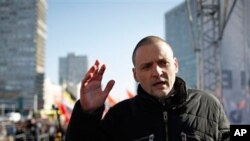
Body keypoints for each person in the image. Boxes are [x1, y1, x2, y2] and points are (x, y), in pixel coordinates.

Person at [65, 36, 230, 141]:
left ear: (175, 65)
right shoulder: (119, 116)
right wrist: (86, 114)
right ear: (135, 74)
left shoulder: (209, 105)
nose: (157, 72)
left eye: (163, 63)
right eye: (146, 66)